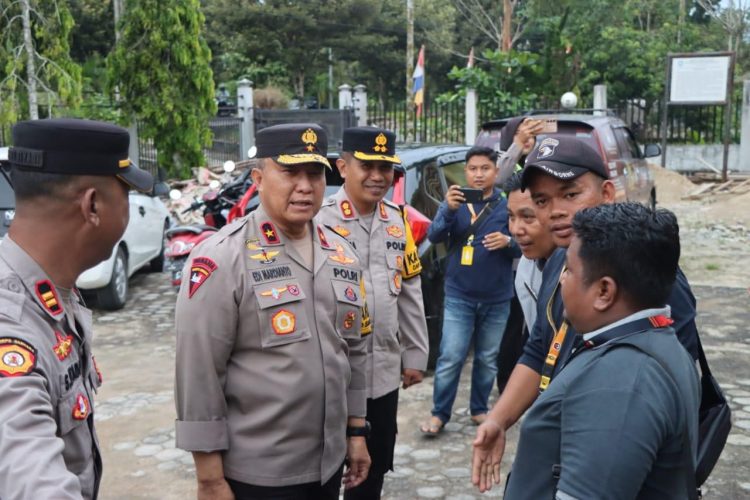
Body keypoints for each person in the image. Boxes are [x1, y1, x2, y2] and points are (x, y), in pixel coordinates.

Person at [471, 136, 702, 492]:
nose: (556, 211)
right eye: (542, 201)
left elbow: (657, 392)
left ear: (608, 193)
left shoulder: (645, 276)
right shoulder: (559, 259)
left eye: (570, 194)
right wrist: (500, 420)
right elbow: (538, 350)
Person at [174, 123, 371, 500]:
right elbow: (199, 372)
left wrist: (356, 430)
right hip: (259, 474)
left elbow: (353, 349)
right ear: (260, 178)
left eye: (314, 174)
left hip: (328, 464)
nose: (305, 185)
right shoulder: (222, 258)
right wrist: (210, 479)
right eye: (290, 172)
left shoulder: (342, 253)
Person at [0, 118, 154, 499]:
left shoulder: (53, 292)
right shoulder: (12, 325)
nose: (130, 209)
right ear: (93, 205)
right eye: (127, 195)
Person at [503, 202, 700, 499]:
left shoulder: (622, 383)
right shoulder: (655, 339)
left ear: (604, 291)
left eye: (568, 270)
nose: (561, 280)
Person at [318, 126, 429, 499]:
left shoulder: (397, 220)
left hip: (382, 374)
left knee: (374, 468)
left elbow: (410, 289)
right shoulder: (318, 221)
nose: (379, 176)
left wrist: (415, 353)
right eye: (368, 166)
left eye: (386, 168)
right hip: (333, 376)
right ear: (343, 167)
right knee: (327, 470)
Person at [420, 146, 519, 435]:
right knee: (451, 356)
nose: (478, 175)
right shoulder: (455, 201)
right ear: (465, 172)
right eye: (473, 169)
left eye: (485, 169)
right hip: (459, 295)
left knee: (488, 358)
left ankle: (479, 410)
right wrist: (449, 209)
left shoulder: (505, 204)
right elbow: (435, 235)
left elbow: (525, 243)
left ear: (496, 171)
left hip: (497, 296)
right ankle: (439, 414)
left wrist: (508, 242)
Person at [504, 171, 556, 330]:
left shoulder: (587, 274)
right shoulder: (525, 268)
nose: (515, 229)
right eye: (511, 217)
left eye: (527, 217)